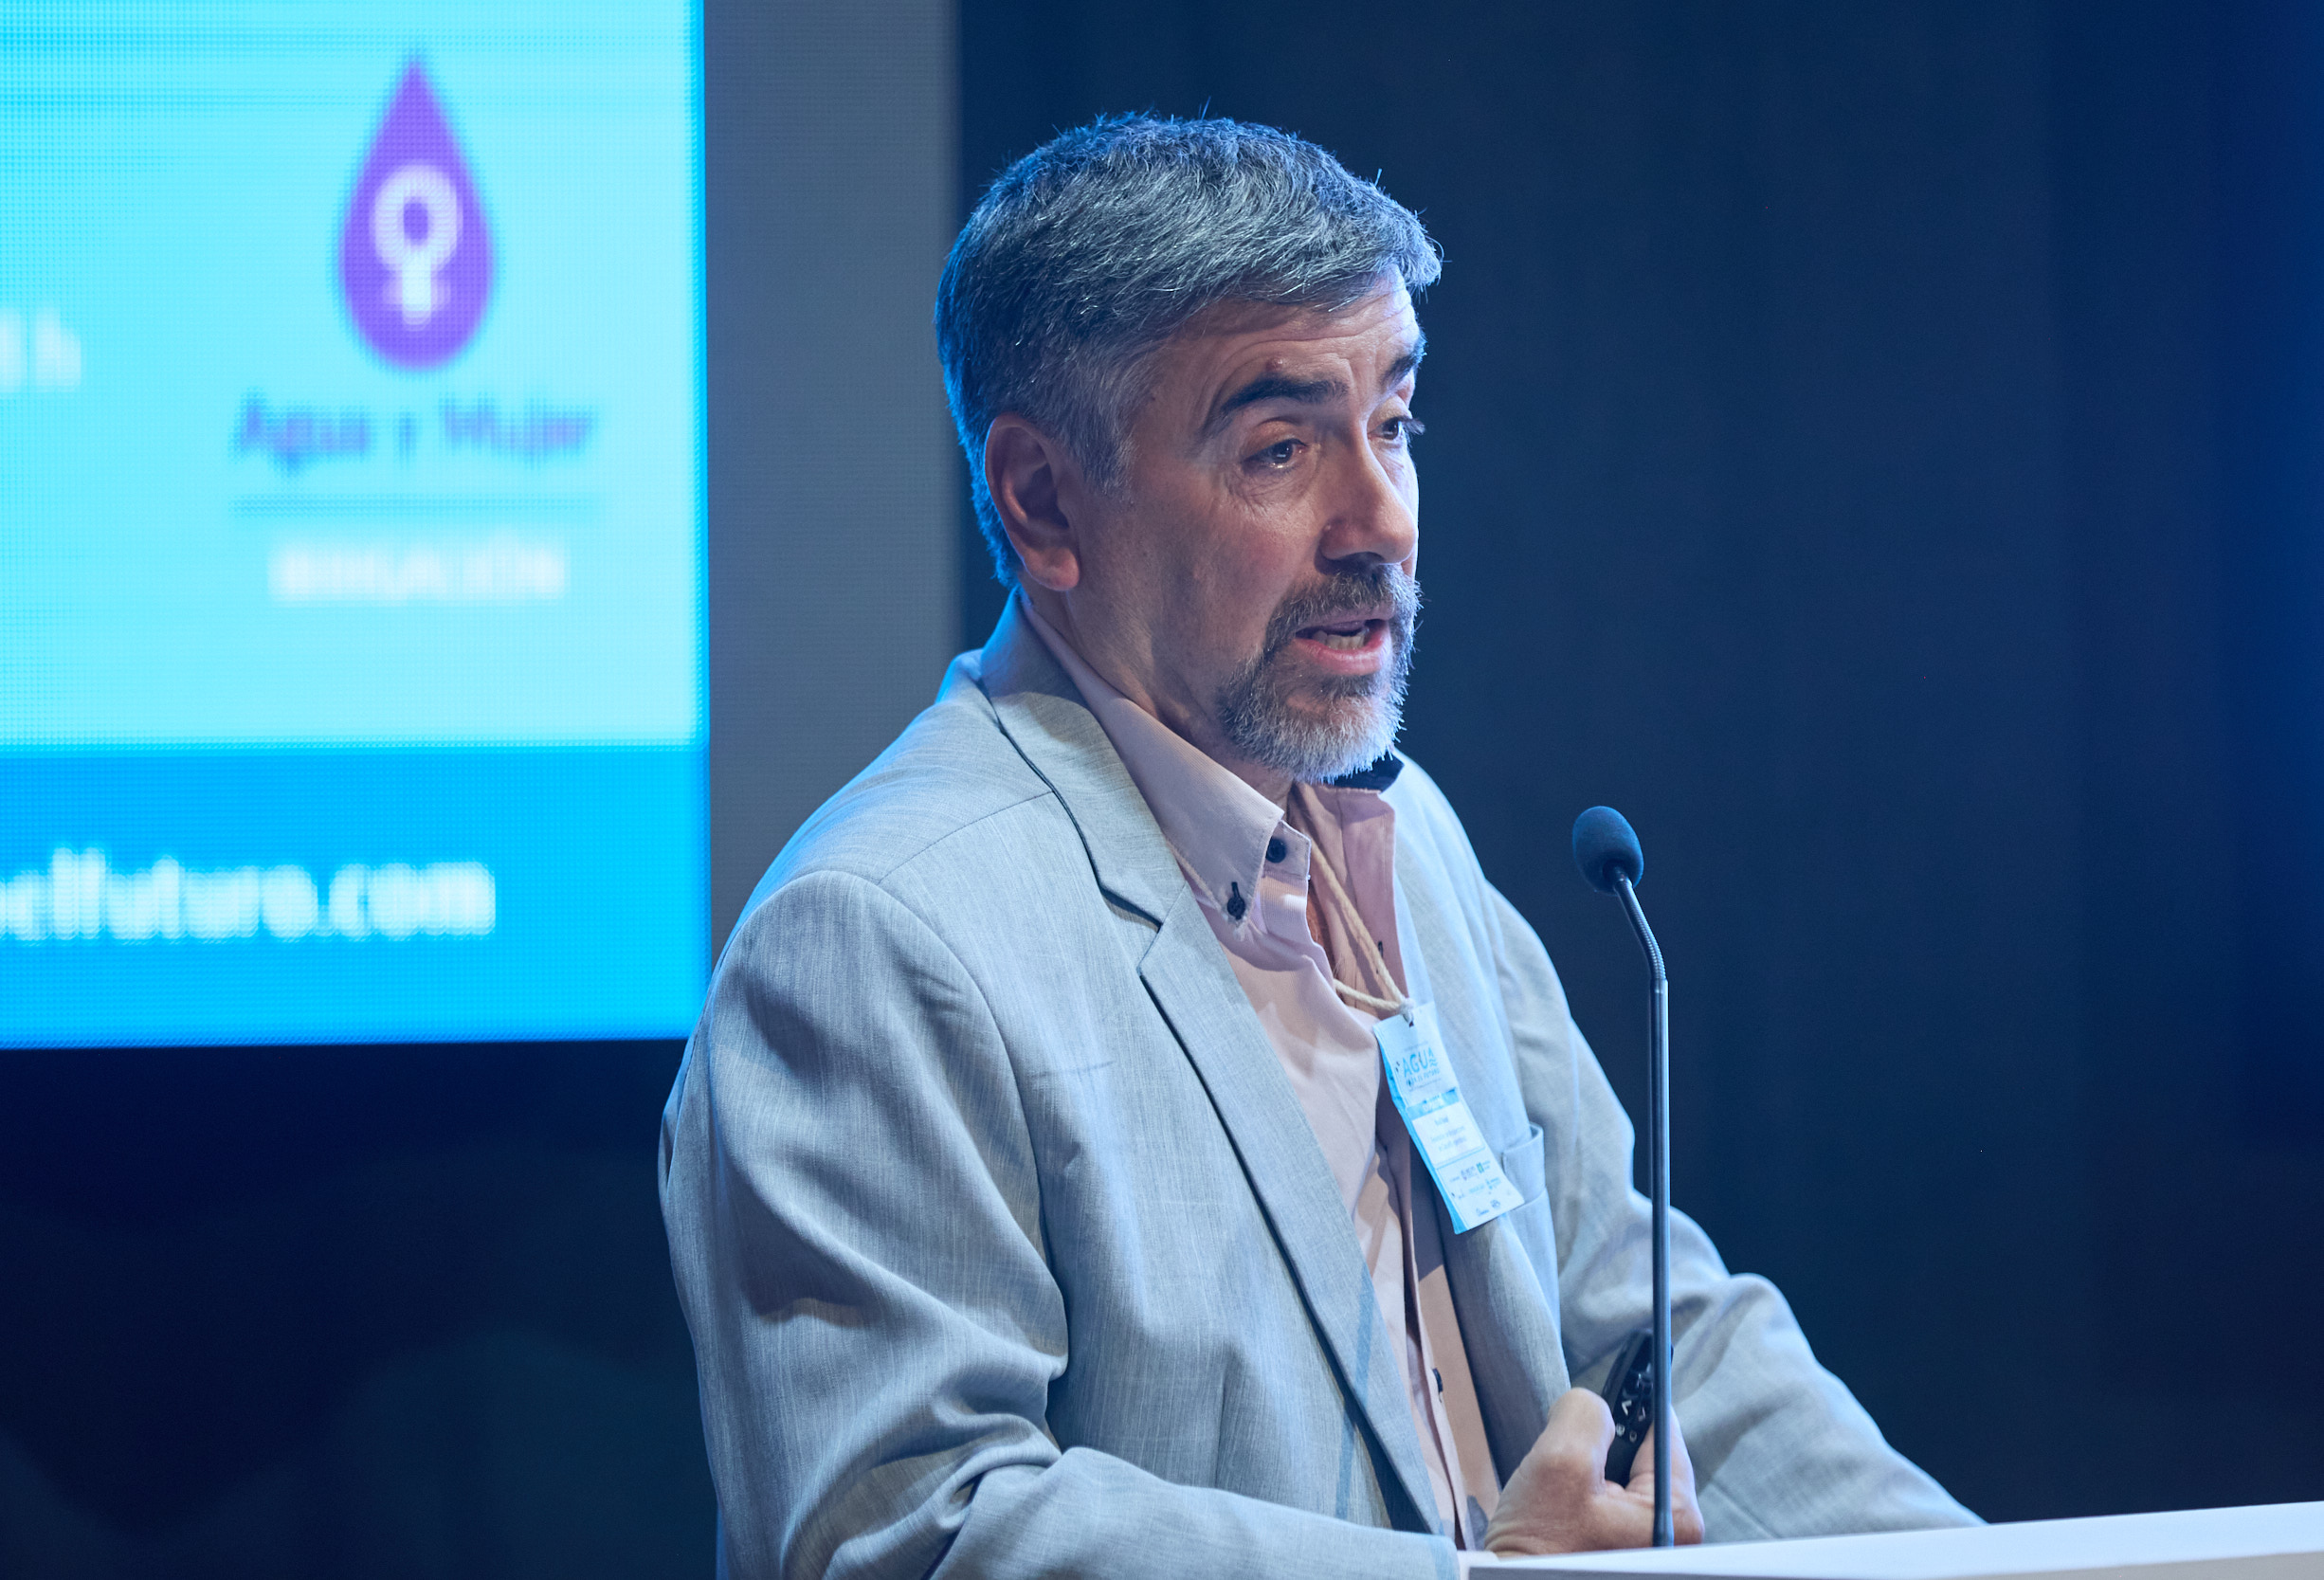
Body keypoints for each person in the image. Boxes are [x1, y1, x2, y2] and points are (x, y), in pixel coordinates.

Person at [660, 115, 1975, 1579]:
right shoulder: (876, 941)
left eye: (1394, 426)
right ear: (1043, 502)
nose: (1381, 524)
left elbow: (1650, 1337)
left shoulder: (1403, 837)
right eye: (1280, 450)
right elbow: (913, 1534)